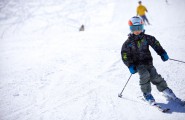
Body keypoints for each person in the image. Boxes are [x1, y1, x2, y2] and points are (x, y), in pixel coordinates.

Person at [121, 16, 184, 105]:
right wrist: (130, 65)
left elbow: (155, 44)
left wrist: (162, 53)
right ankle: (147, 93)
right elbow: (125, 55)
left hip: (148, 62)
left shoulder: (147, 38)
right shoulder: (128, 43)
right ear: (131, 29)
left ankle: (165, 89)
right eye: (134, 28)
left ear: (142, 27)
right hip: (138, 64)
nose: (137, 30)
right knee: (145, 75)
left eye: (139, 28)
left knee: (155, 76)